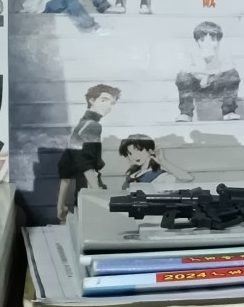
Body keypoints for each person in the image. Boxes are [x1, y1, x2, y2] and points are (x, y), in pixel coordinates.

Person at [56, 84, 119, 221]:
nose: (108, 106)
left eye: (112, 103)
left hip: (82, 198)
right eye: (104, 100)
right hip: (90, 198)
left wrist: (60, 205)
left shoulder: (82, 124)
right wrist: (99, 196)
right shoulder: (92, 126)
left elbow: (65, 167)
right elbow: (86, 165)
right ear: (92, 100)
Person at [176, 21, 241, 122]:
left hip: (216, 84)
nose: (208, 44)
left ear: (218, 40)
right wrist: (203, 75)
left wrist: (208, 74)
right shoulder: (190, 51)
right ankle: (186, 113)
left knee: (233, 75)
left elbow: (230, 66)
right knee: (182, 76)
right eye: (202, 40)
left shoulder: (224, 50)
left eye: (212, 40)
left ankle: (229, 111)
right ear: (197, 41)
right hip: (197, 86)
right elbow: (185, 68)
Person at [118, 135, 192, 189]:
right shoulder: (134, 173)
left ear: (149, 150)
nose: (134, 156)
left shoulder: (159, 175)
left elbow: (188, 178)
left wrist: (163, 161)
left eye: (138, 150)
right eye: (130, 153)